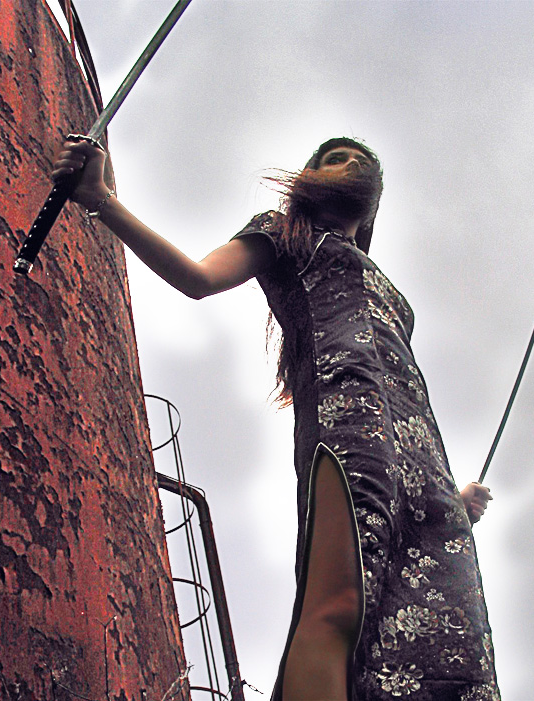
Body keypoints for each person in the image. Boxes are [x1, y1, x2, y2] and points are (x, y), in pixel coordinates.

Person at [52, 136, 499, 701]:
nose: (349, 164)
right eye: (333, 159)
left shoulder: (391, 291)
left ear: (373, 206)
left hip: (423, 459)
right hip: (346, 427)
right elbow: (198, 278)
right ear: (311, 180)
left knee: (447, 622)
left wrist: (447, 502)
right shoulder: (284, 234)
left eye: (359, 161)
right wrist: (101, 199)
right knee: (342, 595)